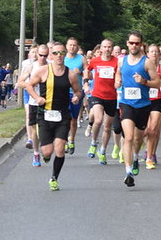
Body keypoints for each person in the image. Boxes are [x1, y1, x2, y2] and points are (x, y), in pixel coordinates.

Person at [25, 41, 84, 190]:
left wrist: (76, 97)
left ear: (65, 54)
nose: (59, 56)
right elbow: (29, 86)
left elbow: (78, 91)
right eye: (56, 53)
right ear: (51, 55)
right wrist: (37, 98)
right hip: (44, 115)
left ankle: (54, 178)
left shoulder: (70, 74)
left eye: (62, 53)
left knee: (59, 148)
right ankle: (45, 155)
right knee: (47, 151)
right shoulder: (43, 71)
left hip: (63, 116)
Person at [115, 31, 161, 188]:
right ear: (127, 43)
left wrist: (144, 82)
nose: (134, 45)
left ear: (141, 44)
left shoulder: (147, 62)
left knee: (137, 138)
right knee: (128, 137)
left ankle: (135, 157)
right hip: (126, 103)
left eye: (137, 43)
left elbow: (157, 83)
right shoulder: (122, 61)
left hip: (143, 105)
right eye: (131, 43)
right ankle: (128, 172)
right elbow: (118, 74)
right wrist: (117, 81)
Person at [86, 39, 120, 163]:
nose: (107, 49)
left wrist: (118, 82)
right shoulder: (95, 60)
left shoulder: (117, 62)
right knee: (98, 120)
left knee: (107, 127)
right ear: (101, 49)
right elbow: (87, 70)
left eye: (109, 47)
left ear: (112, 49)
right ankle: (93, 142)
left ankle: (103, 150)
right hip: (97, 95)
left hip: (111, 97)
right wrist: (85, 83)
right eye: (105, 47)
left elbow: (119, 75)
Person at [63, 37, 85, 153]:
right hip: (63, 92)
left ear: (77, 47)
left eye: (74, 45)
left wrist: (80, 72)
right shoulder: (62, 58)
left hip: (76, 93)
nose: (72, 47)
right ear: (66, 46)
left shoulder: (81, 59)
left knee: (73, 119)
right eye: (70, 45)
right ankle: (64, 141)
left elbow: (89, 75)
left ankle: (71, 140)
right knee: (64, 118)